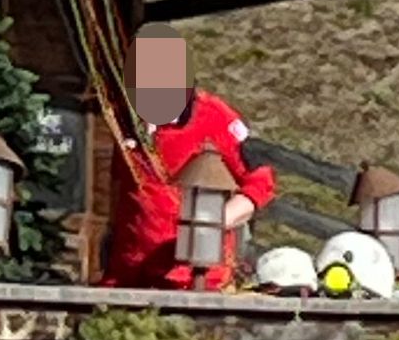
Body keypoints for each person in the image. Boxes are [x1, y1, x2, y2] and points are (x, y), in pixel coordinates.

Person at [99, 22, 275, 290]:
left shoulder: (215, 118)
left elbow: (261, 181)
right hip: (128, 278)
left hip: (193, 281)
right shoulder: (124, 118)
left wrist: (213, 224)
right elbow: (119, 189)